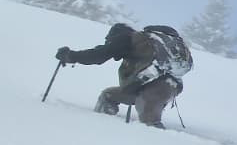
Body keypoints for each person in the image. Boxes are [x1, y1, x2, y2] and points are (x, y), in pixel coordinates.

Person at [55, 22, 183, 129]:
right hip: (171, 87)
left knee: (150, 127)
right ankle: (105, 125)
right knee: (108, 95)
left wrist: (71, 56)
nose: (109, 43)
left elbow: (99, 55)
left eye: (109, 41)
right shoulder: (145, 47)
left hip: (155, 89)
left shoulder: (126, 38)